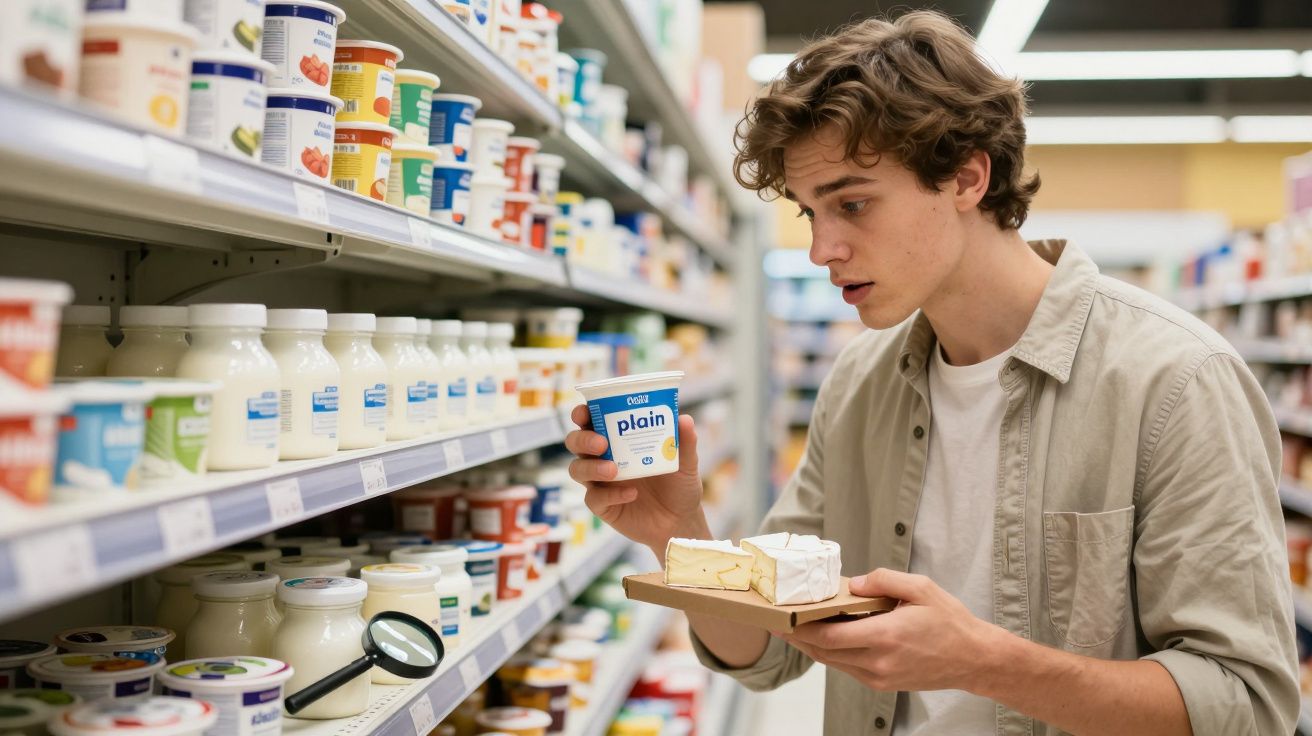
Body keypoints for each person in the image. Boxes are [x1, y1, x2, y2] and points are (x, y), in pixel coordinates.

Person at [564, 9, 1298, 736]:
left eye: (852, 203)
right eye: (810, 212)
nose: (822, 249)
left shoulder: (1175, 382)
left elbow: (1245, 705)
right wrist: (680, 537)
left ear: (967, 178)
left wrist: (983, 662)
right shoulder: (860, 386)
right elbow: (764, 653)